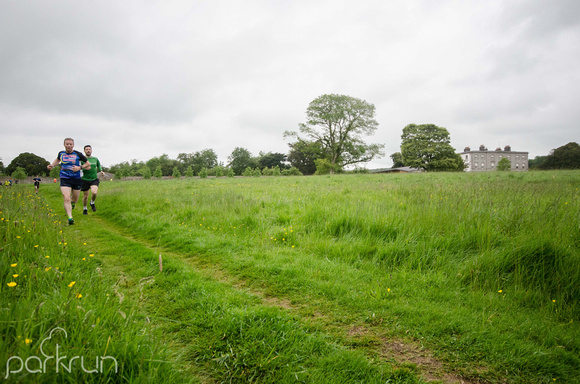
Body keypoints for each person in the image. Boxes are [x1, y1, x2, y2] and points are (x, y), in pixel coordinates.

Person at [47, 138, 91, 225]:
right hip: (64, 178)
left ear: (73, 145)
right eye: (67, 144)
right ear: (64, 145)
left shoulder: (78, 154)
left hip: (76, 179)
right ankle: (70, 218)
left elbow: (87, 164)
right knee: (66, 198)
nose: (69, 146)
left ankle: (72, 204)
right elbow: (57, 160)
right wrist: (52, 165)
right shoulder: (61, 153)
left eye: (70, 144)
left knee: (74, 199)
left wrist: (79, 167)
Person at [81, 145, 104, 215]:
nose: (88, 150)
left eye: (89, 149)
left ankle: (92, 202)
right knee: (85, 196)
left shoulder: (95, 159)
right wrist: (84, 168)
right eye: (86, 149)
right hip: (85, 179)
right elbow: (79, 168)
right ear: (84, 151)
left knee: (94, 192)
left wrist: (101, 170)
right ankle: (85, 208)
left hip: (94, 178)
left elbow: (99, 165)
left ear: (91, 150)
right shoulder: (82, 160)